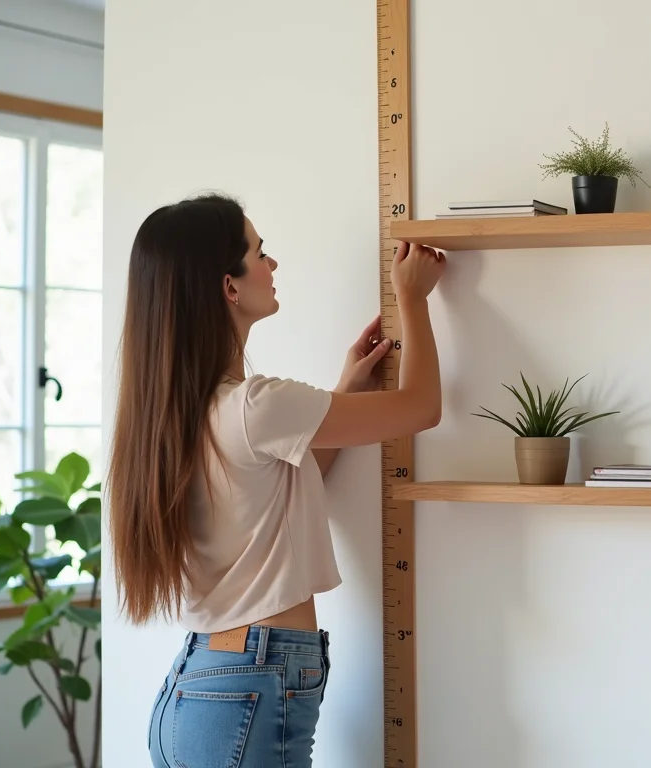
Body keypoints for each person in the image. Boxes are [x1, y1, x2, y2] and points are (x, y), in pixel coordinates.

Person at [106, 193, 445, 767]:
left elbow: (289, 480)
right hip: (252, 684)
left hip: (196, 687)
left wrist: (345, 391)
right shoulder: (256, 405)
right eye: (260, 253)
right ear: (229, 286)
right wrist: (411, 298)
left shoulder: (173, 413)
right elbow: (421, 408)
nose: (273, 264)